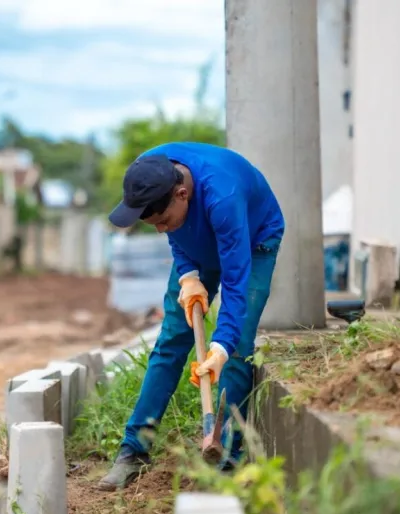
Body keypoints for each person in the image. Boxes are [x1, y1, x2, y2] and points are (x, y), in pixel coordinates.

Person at [97, 141, 284, 491]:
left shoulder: (222, 196)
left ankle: (226, 460)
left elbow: (235, 281)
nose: (160, 229)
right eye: (152, 224)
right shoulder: (151, 172)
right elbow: (173, 233)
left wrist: (221, 347)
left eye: (163, 220)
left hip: (253, 241)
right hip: (198, 242)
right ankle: (133, 451)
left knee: (239, 345)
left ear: (182, 193)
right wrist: (188, 275)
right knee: (170, 341)